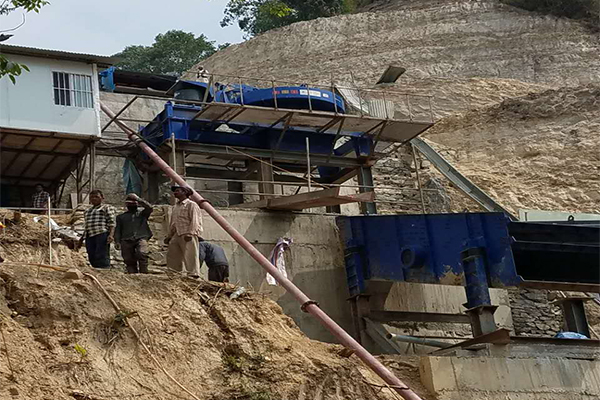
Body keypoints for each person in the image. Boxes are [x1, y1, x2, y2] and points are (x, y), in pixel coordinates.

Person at [164, 185, 202, 278]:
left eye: (177, 191)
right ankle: (174, 274)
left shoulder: (191, 204)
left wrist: (191, 233)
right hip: (177, 234)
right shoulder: (175, 207)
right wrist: (169, 236)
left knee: (190, 255)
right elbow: (173, 222)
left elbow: (195, 220)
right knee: (173, 254)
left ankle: (193, 274)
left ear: (184, 192)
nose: (175, 193)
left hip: (187, 233)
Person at [114, 193, 153, 274]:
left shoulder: (142, 214)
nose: (131, 205)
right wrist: (117, 241)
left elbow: (149, 207)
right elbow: (118, 230)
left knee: (142, 253)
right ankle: (133, 276)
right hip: (126, 239)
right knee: (128, 259)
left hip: (141, 237)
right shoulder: (121, 217)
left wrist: (138, 199)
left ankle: (144, 274)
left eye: (133, 203)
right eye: (129, 204)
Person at [77, 190, 115, 269]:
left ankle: (105, 270)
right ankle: (96, 270)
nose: (94, 199)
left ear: (102, 198)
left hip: (101, 234)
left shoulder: (106, 208)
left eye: (96, 197)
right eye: (91, 197)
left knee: (101, 254)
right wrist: (81, 239)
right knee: (91, 254)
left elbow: (112, 222)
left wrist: (111, 235)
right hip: (90, 235)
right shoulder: (88, 211)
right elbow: (87, 226)